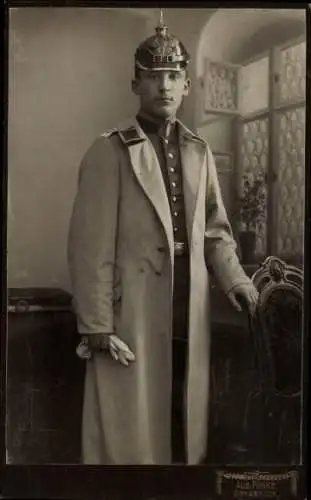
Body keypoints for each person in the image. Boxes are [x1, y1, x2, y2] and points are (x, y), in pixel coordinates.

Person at [67, 12, 259, 466]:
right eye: (154, 77)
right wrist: (96, 326)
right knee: (132, 430)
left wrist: (237, 282)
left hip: (185, 304)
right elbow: (88, 247)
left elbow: (215, 230)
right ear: (136, 85)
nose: (165, 87)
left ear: (187, 85)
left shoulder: (199, 150)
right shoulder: (108, 150)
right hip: (131, 307)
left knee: (179, 418)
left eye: (173, 76)